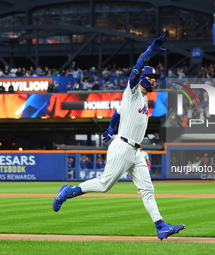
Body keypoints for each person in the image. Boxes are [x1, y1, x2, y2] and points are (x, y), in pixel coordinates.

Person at [52, 35, 185, 240]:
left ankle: (161, 226)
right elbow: (137, 68)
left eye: (154, 78)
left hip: (136, 151)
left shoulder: (140, 99)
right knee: (104, 185)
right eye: (150, 77)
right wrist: (150, 49)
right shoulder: (132, 91)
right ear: (141, 79)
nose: (153, 80)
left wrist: (110, 128)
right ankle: (67, 192)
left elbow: (118, 112)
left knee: (148, 189)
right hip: (122, 147)